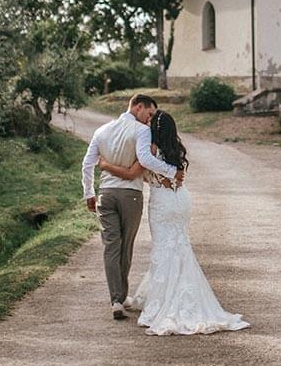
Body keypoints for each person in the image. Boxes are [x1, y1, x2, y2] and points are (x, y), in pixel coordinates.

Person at [97, 110, 250, 336]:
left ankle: (166, 302)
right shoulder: (175, 149)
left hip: (162, 203)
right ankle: (178, 294)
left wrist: (105, 164)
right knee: (180, 247)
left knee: (164, 249)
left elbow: (132, 173)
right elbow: (172, 175)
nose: (144, 124)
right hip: (181, 199)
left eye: (149, 122)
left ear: (155, 127)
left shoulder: (149, 150)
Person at [81, 93, 181, 320]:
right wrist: (171, 172)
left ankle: (117, 299)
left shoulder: (101, 131)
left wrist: (89, 192)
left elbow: (87, 164)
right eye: (149, 113)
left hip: (105, 194)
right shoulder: (141, 131)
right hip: (131, 195)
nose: (150, 119)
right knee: (125, 247)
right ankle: (120, 297)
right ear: (138, 107)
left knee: (110, 246)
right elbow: (145, 160)